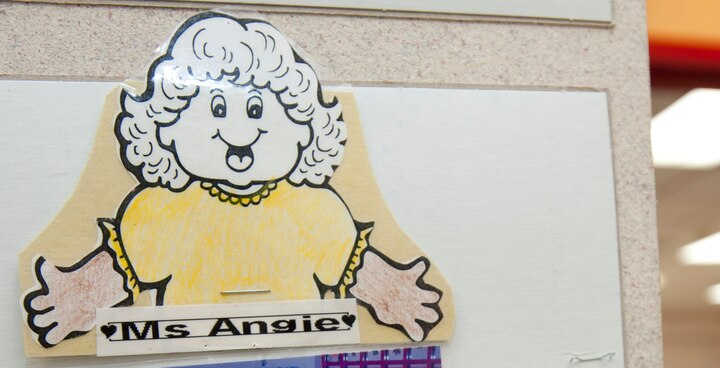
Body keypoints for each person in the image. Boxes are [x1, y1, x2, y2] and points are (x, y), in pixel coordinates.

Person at [22, 11, 443, 349]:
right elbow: (120, 267)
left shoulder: (316, 209)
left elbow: (354, 266)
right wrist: (77, 298)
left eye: (257, 110)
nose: (239, 132)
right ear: (165, 128)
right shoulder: (161, 210)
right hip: (189, 350)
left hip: (298, 348)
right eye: (217, 110)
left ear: (303, 128)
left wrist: (395, 295)